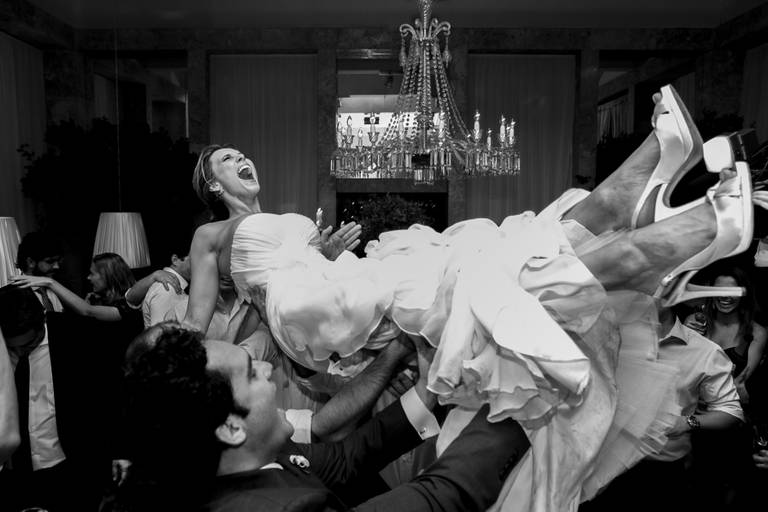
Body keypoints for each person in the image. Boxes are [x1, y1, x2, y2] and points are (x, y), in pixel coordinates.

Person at [183, 86, 756, 510]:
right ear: (211, 184)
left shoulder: (282, 217)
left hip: (345, 285)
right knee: (485, 282)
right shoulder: (210, 235)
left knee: (494, 258)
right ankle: (684, 222)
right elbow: (189, 331)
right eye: (225, 160)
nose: (240, 160)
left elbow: (360, 447)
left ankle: (652, 189)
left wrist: (326, 255)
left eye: (239, 153)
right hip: (309, 310)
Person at [110, 322, 530, 512]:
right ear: (231, 427)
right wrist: (517, 398)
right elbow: (437, 497)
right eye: (251, 372)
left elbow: (348, 457)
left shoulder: (239, 461)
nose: (268, 369)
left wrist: (429, 387)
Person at [579, 305, 744, 511]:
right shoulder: (607, 335)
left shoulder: (705, 351)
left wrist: (687, 422)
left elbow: (730, 410)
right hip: (601, 464)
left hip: (661, 471)